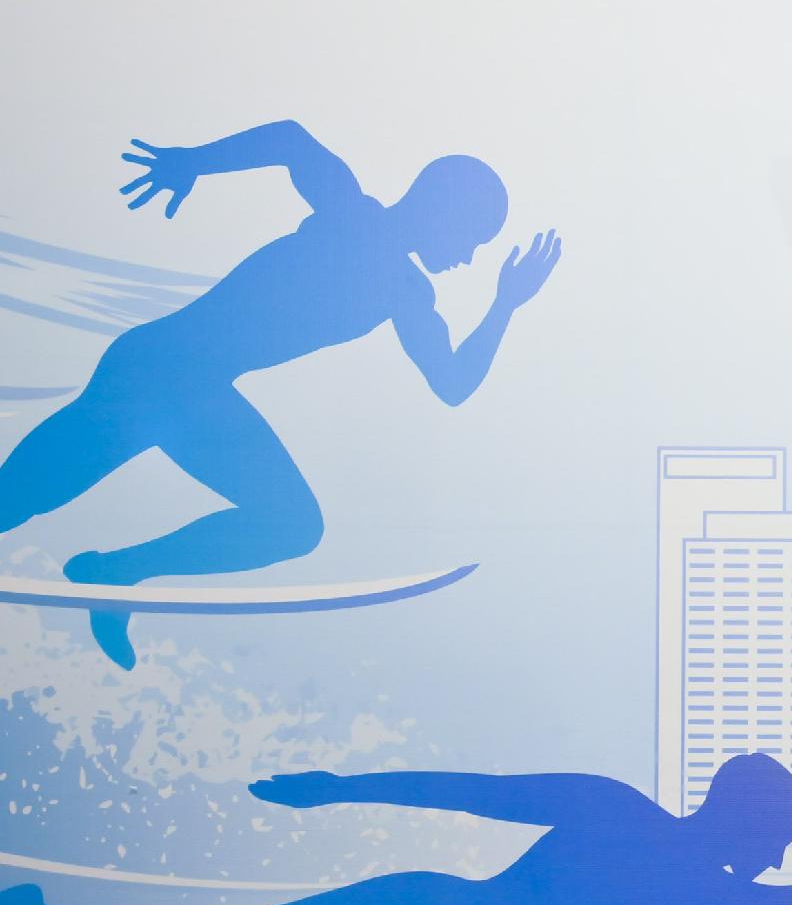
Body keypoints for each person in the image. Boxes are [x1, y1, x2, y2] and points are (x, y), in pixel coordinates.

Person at [0, 121, 559, 667]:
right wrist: (192, 161)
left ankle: (115, 572)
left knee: (292, 524)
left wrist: (504, 304)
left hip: (198, 397)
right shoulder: (350, 214)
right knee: (15, 500)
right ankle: (111, 571)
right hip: (152, 373)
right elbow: (291, 139)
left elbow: (453, 384)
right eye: (470, 239)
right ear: (442, 212)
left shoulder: (407, 292)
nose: (468, 258)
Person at [0, 754, 792, 905]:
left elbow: (465, 791)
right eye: (778, 837)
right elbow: (470, 791)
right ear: (741, 818)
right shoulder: (706, 895)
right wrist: (339, 789)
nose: (779, 857)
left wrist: (341, 790)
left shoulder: (617, 806)